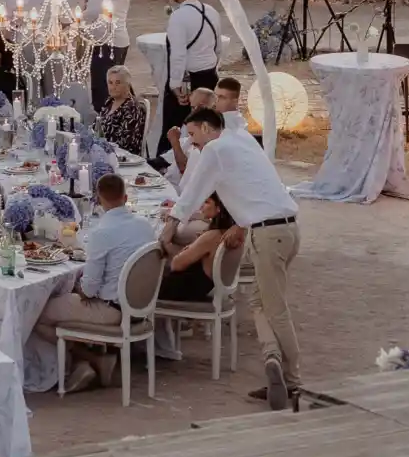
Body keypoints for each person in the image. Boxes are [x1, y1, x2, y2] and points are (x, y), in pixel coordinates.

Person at [171, 107, 299, 409]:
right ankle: (272, 359)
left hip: (267, 233)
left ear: (206, 128)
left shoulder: (215, 148)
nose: (192, 144)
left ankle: (293, 380)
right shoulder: (241, 138)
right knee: (259, 302)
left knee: (276, 308)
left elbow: (192, 193)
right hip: (289, 228)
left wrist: (171, 224)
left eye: (193, 135)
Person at [32, 174, 156, 391]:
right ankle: (96, 359)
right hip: (142, 307)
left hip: (112, 311)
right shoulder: (145, 226)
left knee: (36, 314)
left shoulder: (102, 232)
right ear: (126, 198)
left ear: (98, 200)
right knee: (69, 299)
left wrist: (78, 288)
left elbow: (88, 290)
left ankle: (83, 361)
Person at [162, 0, 223, 144]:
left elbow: (178, 54)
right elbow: (218, 47)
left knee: (176, 131)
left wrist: (175, 87)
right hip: (210, 77)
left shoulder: (178, 16)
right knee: (207, 129)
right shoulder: (212, 12)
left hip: (188, 84)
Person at [156, 193, 236, 303]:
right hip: (202, 286)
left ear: (218, 209)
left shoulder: (211, 236)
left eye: (206, 202)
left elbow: (175, 264)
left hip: (187, 288)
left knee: (143, 281)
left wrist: (167, 242)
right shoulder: (227, 232)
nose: (201, 205)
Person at [88, 0, 132, 109]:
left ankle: (106, 119)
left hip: (105, 41)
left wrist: (73, 20)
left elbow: (93, 10)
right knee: (119, 86)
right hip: (121, 38)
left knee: (102, 88)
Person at [95, 65, 148, 158]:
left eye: (118, 83)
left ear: (127, 85)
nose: (113, 87)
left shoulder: (132, 108)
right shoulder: (109, 102)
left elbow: (125, 144)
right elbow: (96, 128)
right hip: (102, 153)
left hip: (122, 158)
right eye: (110, 83)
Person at [165, 86, 218, 176]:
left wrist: (174, 141)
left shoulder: (208, 133)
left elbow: (185, 169)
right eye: (193, 107)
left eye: (199, 107)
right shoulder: (192, 124)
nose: (194, 111)